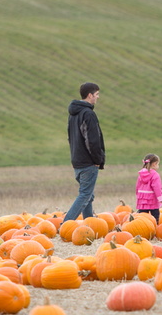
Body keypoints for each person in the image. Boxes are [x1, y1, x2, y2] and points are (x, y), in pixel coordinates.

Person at [64, 82, 105, 222]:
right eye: (97, 94)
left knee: (88, 195)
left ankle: (89, 222)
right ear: (90, 95)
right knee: (85, 194)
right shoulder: (88, 114)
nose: (98, 97)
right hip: (88, 162)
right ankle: (66, 224)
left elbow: (71, 138)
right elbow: (92, 140)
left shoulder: (73, 114)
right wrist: (97, 159)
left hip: (77, 160)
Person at [136, 153, 162, 222]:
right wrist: (160, 198)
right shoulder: (155, 175)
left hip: (143, 199)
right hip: (152, 199)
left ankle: (140, 226)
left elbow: (137, 186)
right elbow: (157, 188)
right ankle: (154, 228)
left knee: (142, 216)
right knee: (155, 216)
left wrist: (138, 195)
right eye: (158, 164)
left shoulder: (141, 174)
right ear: (154, 164)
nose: (158, 166)